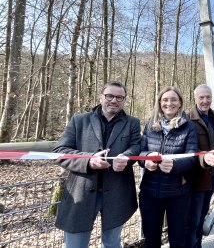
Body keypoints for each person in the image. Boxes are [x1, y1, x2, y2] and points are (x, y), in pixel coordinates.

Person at [53, 81, 141, 248]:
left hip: (117, 193)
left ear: (124, 100)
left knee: (112, 243)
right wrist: (88, 160)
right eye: (110, 96)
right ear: (101, 97)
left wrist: (126, 157)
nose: (114, 100)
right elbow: (59, 151)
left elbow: (136, 146)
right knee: (75, 244)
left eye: (119, 97)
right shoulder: (79, 120)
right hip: (81, 192)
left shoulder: (132, 123)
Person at [138, 86, 198, 248]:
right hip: (150, 193)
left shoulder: (189, 127)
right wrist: (146, 160)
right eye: (165, 100)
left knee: (178, 240)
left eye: (173, 100)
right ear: (159, 103)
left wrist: (175, 165)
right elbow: (141, 151)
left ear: (180, 103)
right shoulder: (151, 124)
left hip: (177, 194)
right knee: (151, 240)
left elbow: (193, 157)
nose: (169, 103)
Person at [186, 84, 214, 248]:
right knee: (192, 219)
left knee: (202, 216)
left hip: (212, 176)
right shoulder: (186, 118)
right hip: (196, 178)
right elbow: (185, 148)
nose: (205, 101)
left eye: (208, 97)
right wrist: (203, 157)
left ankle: (198, 244)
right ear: (195, 99)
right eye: (201, 97)